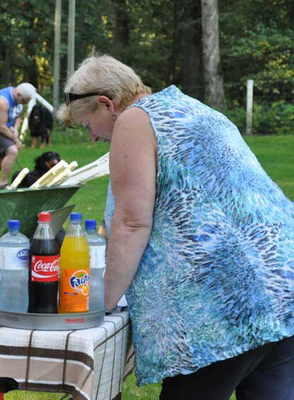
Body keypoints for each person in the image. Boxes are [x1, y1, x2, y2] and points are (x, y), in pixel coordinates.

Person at [57, 54, 294, 399]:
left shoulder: (135, 119)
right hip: (282, 283)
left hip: (225, 301)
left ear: (107, 104)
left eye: (86, 125)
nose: (92, 138)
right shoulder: (189, 107)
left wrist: (101, 302)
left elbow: (132, 221)